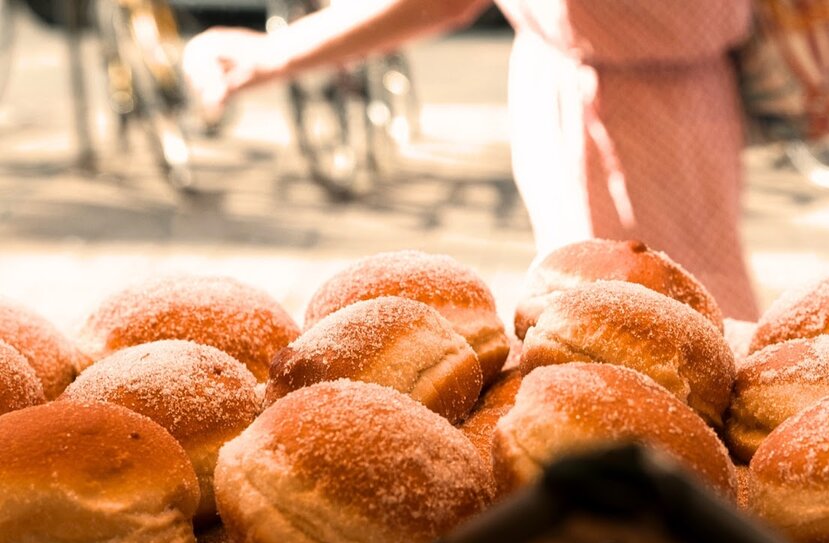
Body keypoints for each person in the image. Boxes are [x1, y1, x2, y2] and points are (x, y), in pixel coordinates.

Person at [184, 0, 761, 319]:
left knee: (633, 330)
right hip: (679, 88)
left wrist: (268, 54)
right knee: (675, 311)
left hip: (611, 107)